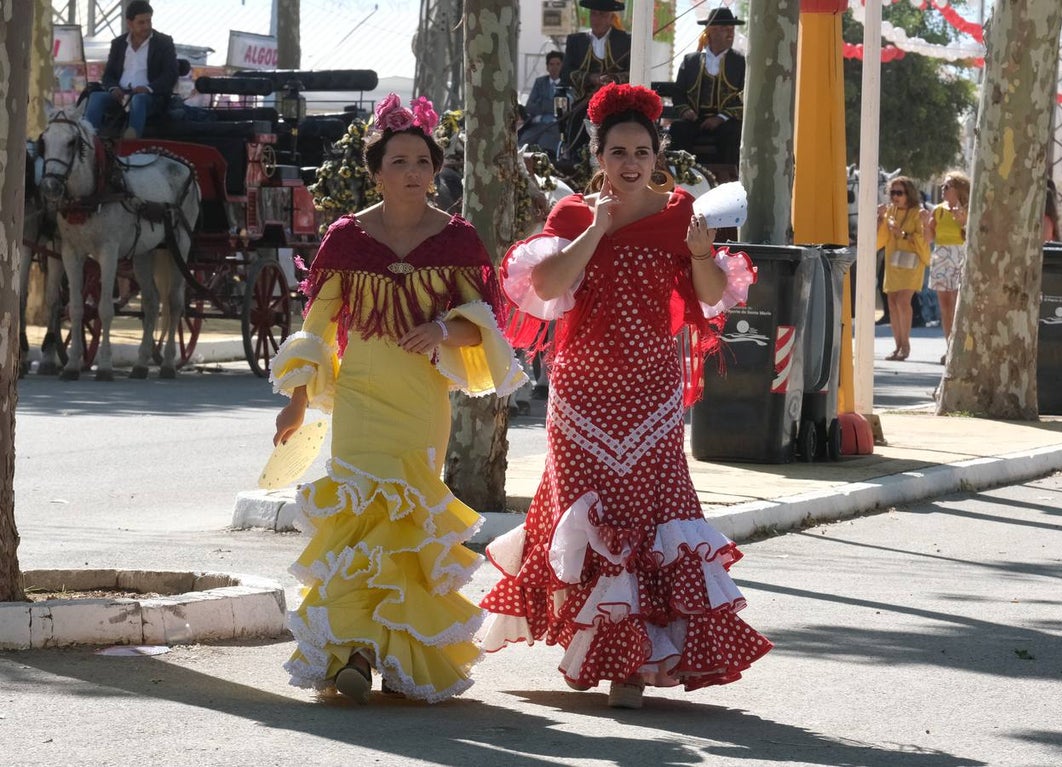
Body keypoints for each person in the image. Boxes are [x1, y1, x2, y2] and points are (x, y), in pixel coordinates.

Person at [478, 82, 771, 710]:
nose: (630, 162)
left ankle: (629, 667)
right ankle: (601, 650)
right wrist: (597, 228)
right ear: (598, 156)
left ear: (656, 153)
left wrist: (699, 253)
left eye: (641, 150)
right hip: (580, 399)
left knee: (647, 520)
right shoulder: (571, 218)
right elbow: (546, 286)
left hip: (652, 399)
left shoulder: (681, 213)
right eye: (618, 152)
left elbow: (714, 293)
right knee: (587, 519)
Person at [270, 93, 527, 704]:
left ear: (435, 170)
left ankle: (400, 653)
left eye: (422, 161)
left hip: (421, 405)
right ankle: (355, 650)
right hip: (359, 398)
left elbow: (484, 323)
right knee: (361, 523)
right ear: (377, 171)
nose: (413, 171)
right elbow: (317, 323)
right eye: (399, 160)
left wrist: (443, 329)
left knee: (406, 524)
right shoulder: (345, 238)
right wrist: (299, 399)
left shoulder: (457, 239)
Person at [83, 1, 178, 139]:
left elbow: (170, 75)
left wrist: (148, 88)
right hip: (121, 95)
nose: (147, 26)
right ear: (130, 23)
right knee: (96, 97)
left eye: (149, 21)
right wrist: (113, 88)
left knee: (138, 100)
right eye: (141, 22)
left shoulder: (163, 42)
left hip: (150, 97)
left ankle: (131, 143)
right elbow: (108, 75)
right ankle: (88, 141)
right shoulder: (118, 44)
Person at [668, 7, 745, 165]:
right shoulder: (690, 61)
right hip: (695, 119)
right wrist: (687, 111)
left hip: (726, 121)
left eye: (732, 29)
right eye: (725, 29)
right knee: (677, 130)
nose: (731, 34)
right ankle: (681, 175)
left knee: (734, 133)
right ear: (711, 31)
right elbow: (678, 93)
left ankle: (728, 178)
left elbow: (744, 95)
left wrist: (720, 118)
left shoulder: (740, 62)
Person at [558, 0, 632, 165]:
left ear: (610, 17)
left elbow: (632, 72)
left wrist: (613, 79)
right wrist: (591, 78)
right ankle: (574, 159)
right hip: (585, 100)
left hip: (616, 102)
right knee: (578, 118)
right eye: (594, 14)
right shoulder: (576, 41)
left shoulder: (625, 40)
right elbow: (566, 73)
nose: (597, 19)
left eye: (602, 15)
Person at [876, 176, 930, 361]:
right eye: (892, 192)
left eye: (899, 193)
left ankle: (905, 345)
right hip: (893, 262)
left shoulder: (917, 213)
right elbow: (879, 240)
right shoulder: (889, 211)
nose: (895, 196)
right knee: (891, 302)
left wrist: (904, 234)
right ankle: (897, 345)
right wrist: (879, 220)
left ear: (909, 194)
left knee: (902, 301)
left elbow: (924, 240)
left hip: (913, 263)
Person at [927, 171, 970, 363]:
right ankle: (949, 347)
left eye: (947, 187)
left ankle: (960, 348)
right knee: (945, 306)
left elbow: (970, 236)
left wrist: (962, 222)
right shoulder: (938, 210)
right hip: (941, 256)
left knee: (958, 304)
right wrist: (924, 224)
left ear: (958, 189)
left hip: (959, 256)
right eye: (942, 186)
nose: (943, 190)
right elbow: (929, 238)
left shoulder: (969, 209)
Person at [519, 51, 565, 158]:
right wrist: (551, 105)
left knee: (544, 148)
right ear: (547, 67)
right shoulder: (540, 82)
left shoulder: (566, 84)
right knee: (522, 144)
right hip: (537, 124)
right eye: (551, 64)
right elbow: (530, 106)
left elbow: (563, 109)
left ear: (562, 66)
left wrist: (542, 103)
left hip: (555, 126)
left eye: (558, 64)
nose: (555, 67)